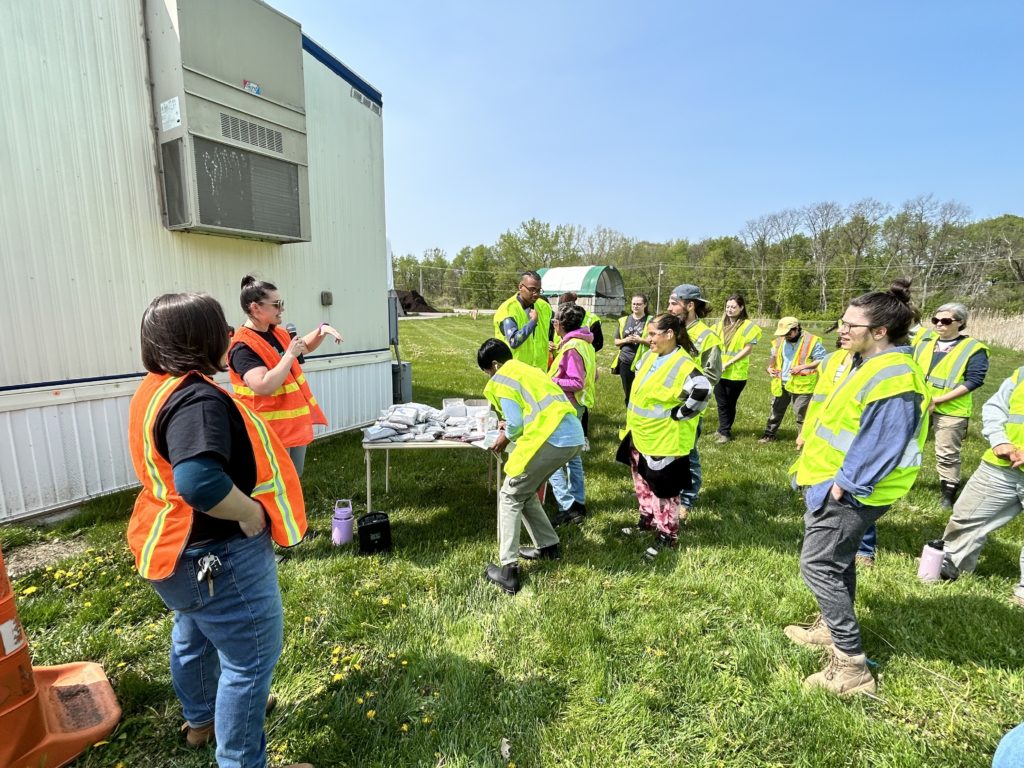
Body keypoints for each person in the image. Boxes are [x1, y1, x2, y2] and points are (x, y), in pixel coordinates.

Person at [127, 293, 311, 768]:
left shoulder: (158, 386)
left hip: (172, 553)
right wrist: (249, 513)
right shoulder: (197, 399)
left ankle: (202, 720)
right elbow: (199, 481)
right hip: (217, 554)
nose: (229, 333)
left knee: (192, 632)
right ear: (200, 338)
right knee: (248, 662)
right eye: (221, 326)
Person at [784, 286, 929, 696]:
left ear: (880, 331)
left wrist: (844, 486)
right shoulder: (865, 363)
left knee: (819, 566)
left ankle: (852, 667)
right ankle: (830, 628)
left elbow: (884, 442)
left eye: (851, 325)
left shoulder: (894, 376)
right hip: (832, 483)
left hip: (851, 492)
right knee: (838, 560)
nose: (841, 330)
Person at [477, 338, 585, 595]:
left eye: (487, 373)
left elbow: (514, 424)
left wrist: (504, 436)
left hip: (551, 439)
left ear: (495, 365)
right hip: (571, 436)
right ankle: (548, 546)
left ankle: (508, 571)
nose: (489, 377)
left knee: (510, 494)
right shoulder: (529, 370)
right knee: (524, 491)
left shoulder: (503, 378)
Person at [228, 275, 343, 477]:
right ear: (255, 308)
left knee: (293, 480)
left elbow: (302, 347)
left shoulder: (277, 333)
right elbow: (262, 385)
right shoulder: (243, 347)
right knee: (275, 486)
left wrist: (321, 331)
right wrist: (290, 354)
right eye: (277, 304)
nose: (282, 308)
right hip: (267, 431)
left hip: (291, 427)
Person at [618, 313, 711, 553]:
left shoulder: (683, 363)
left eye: (652, 334)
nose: (648, 339)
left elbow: (702, 389)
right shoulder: (651, 355)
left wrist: (680, 414)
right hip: (641, 434)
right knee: (643, 484)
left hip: (664, 439)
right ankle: (647, 522)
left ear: (669, 334)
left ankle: (667, 535)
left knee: (664, 491)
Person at [938, 365, 1024, 590]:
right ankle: (950, 567)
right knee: (965, 517)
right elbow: (995, 407)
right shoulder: (1022, 373)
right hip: (1003, 464)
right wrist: (999, 440)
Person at [913, 302, 990, 508]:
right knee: (908, 445)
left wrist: (937, 400)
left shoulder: (974, 349)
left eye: (946, 321)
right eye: (935, 320)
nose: (939, 325)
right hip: (920, 405)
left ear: (960, 323)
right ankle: (901, 482)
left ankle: (948, 493)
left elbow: (974, 380)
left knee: (946, 453)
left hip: (951, 410)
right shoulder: (924, 343)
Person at [667, 284, 722, 522]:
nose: (669, 307)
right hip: (665, 402)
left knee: (688, 453)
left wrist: (690, 398)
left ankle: (687, 498)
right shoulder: (672, 330)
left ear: (690, 305)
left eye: (673, 303)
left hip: (688, 406)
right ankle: (669, 492)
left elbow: (712, 374)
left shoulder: (707, 337)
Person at [547, 304, 596, 526]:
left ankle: (567, 506)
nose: (553, 325)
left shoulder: (573, 348)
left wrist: (551, 381)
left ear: (561, 324)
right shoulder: (583, 344)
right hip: (576, 406)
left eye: (554, 322)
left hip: (566, 407)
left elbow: (576, 382)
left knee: (553, 458)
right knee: (573, 457)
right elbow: (592, 376)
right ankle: (578, 503)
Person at [758, 317, 827, 444]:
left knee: (801, 414)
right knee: (775, 411)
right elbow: (773, 356)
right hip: (781, 383)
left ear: (797, 329)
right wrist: (769, 367)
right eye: (783, 333)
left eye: (789, 333)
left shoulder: (811, 341)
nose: (786, 336)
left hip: (802, 384)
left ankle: (803, 439)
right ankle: (769, 435)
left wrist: (802, 367)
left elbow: (822, 360)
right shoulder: (780, 340)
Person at [712, 294, 762, 443]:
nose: (730, 309)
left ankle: (725, 432)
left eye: (733, 307)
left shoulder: (749, 327)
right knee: (721, 403)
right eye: (728, 306)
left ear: (741, 308)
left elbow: (748, 349)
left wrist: (729, 363)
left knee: (729, 403)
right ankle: (724, 430)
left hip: (736, 373)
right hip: (719, 371)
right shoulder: (718, 325)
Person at [493, 270, 552, 370]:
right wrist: (532, 323)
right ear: (520, 287)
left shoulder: (544, 307)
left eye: (538, 290)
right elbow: (514, 341)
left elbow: (551, 332)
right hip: (516, 371)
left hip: (539, 371)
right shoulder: (508, 310)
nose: (536, 294)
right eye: (532, 289)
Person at [612, 294, 652, 405]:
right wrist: (625, 340)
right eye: (634, 304)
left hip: (644, 361)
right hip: (626, 361)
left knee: (643, 391)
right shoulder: (624, 320)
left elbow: (655, 342)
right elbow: (616, 342)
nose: (636, 306)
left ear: (645, 305)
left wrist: (641, 341)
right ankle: (630, 415)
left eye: (639, 304)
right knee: (628, 391)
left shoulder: (651, 321)